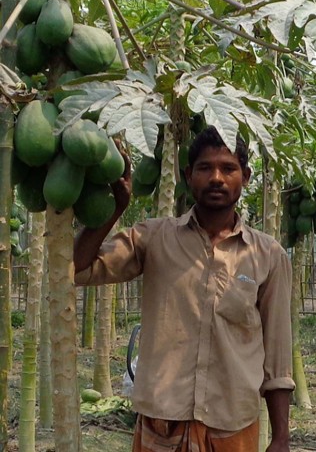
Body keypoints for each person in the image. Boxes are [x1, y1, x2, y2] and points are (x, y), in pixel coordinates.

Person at [74, 126, 294, 452]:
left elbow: (277, 354)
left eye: (228, 168)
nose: (216, 177)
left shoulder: (268, 255)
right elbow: (79, 269)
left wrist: (281, 437)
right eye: (205, 168)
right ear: (189, 175)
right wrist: (116, 207)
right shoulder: (153, 238)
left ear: (245, 177)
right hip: (161, 425)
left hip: (232, 427)